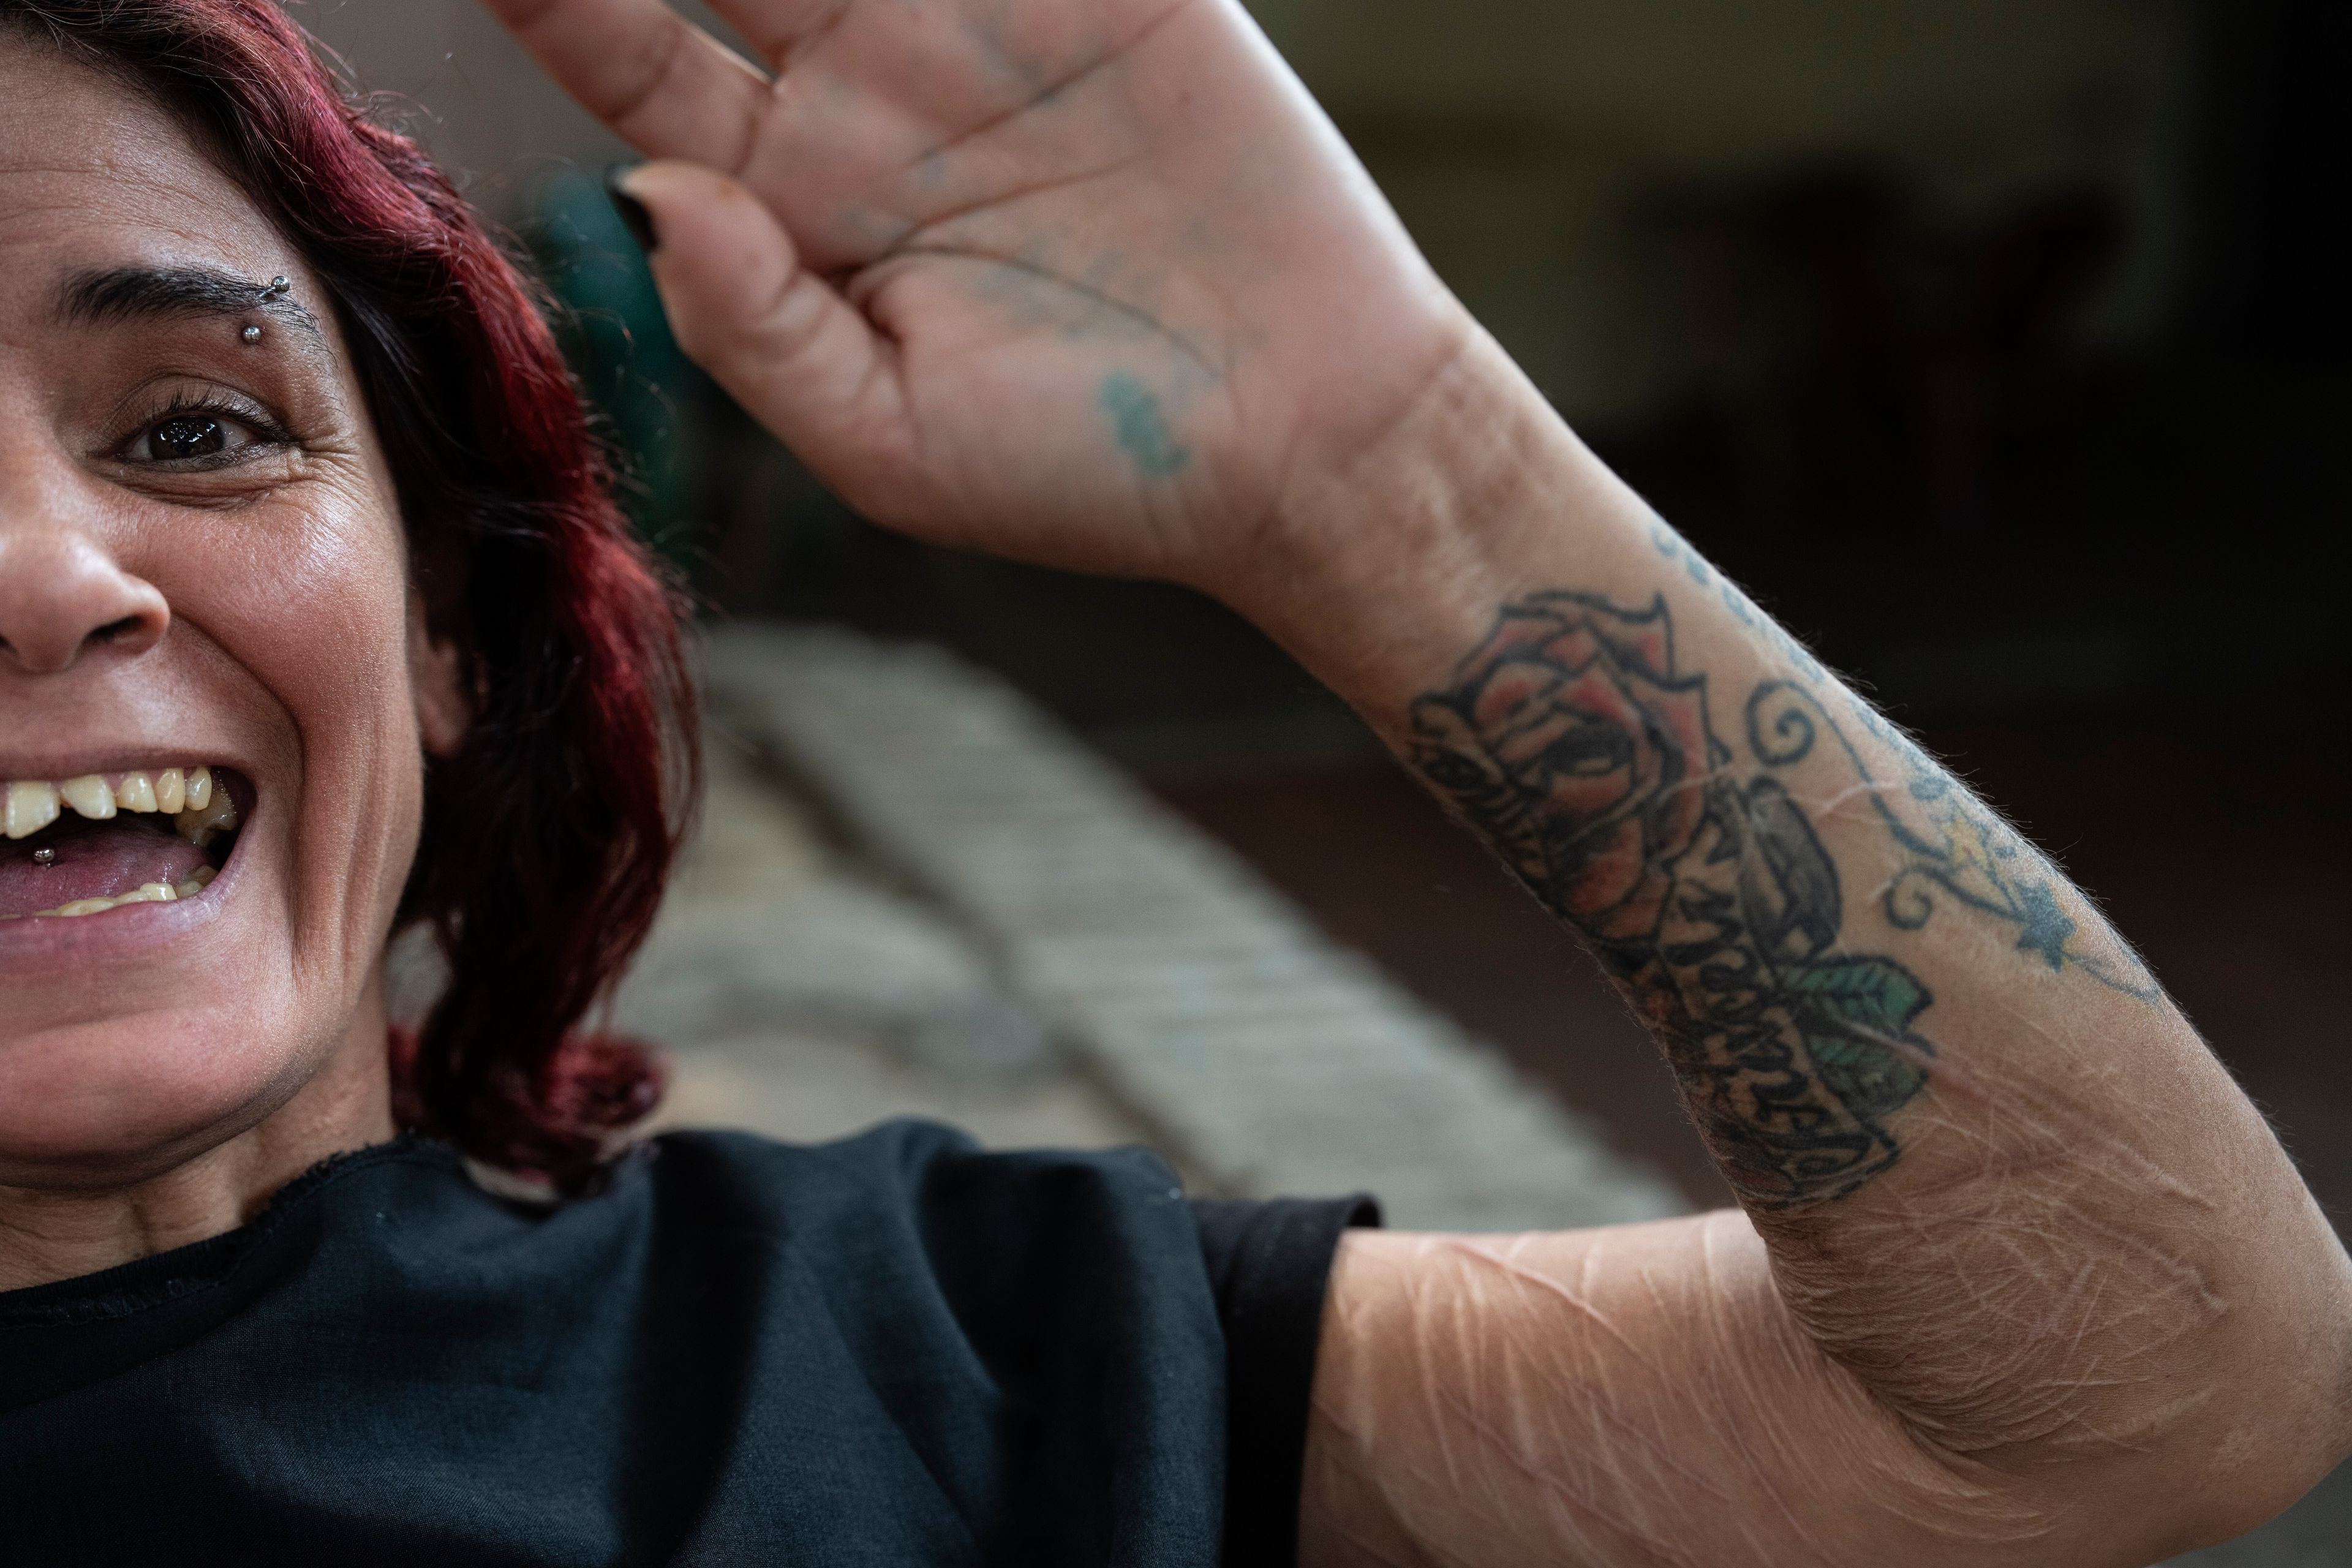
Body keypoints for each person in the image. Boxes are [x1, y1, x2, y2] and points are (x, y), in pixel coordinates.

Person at [0, 0, 2343, 1561]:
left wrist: (1397, 474)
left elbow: (2146, 1388)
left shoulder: (935, 1360)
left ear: (444, 638)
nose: (42, 573)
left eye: (198, 427)